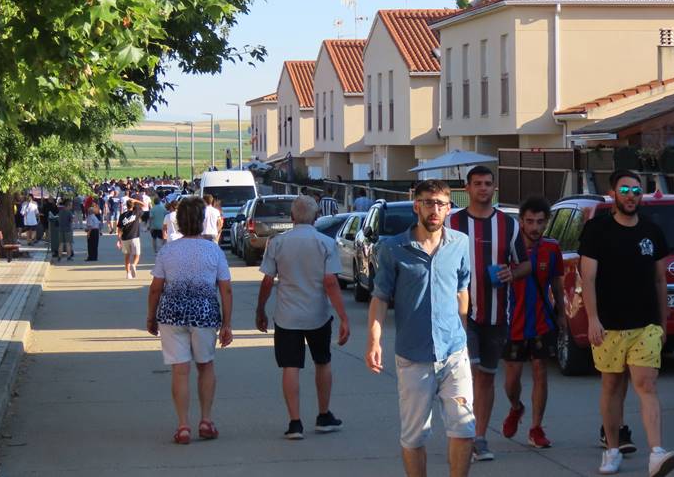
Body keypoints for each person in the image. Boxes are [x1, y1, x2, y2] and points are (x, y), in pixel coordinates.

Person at [366, 179, 473, 477]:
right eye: (428, 202)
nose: (434, 209)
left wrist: (462, 331)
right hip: (414, 356)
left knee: (464, 429)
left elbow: (462, 289)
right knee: (414, 436)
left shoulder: (461, 243)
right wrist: (374, 341)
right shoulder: (393, 248)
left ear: (449, 208)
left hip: (453, 353)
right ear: (417, 206)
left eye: (441, 203)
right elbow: (379, 297)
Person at [580, 170, 674, 476]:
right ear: (613, 193)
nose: (631, 195)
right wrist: (593, 319)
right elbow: (588, 277)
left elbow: (661, 278)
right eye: (625, 189)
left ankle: (656, 453)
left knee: (646, 384)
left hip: (645, 324)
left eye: (637, 191)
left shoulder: (651, 231)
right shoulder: (597, 229)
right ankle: (612, 449)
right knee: (612, 386)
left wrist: (662, 322)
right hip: (608, 325)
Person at [447, 165, 530, 461]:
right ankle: (464, 435)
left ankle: (479, 437)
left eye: (487, 184)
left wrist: (512, 272)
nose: (483, 188)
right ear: (466, 188)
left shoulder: (508, 225)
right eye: (477, 184)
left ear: (494, 188)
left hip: (496, 315)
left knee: (485, 378)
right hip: (460, 315)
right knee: (466, 376)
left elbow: (525, 264)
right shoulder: (452, 222)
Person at [256, 195, 350, 439]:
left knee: (290, 366)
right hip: (318, 314)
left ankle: (295, 422)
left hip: (287, 316)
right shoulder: (325, 243)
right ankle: (323, 414)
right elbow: (330, 282)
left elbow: (267, 281)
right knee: (323, 361)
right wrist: (343, 317)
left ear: (292, 217)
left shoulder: (277, 243)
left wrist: (260, 310)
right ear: (316, 217)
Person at [146, 195, 233, 445]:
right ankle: (206, 420)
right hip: (205, 314)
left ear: (179, 222)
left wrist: (151, 316)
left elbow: (155, 288)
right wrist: (227, 323)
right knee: (205, 366)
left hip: (171, 315)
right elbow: (225, 289)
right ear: (203, 220)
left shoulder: (168, 250)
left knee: (180, 370)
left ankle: (183, 426)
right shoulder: (213, 250)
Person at [501, 196, 564, 449]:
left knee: (540, 372)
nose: (535, 227)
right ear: (521, 222)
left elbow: (558, 284)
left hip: (541, 322)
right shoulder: (507, 249)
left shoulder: (551, 249)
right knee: (511, 380)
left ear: (546, 222)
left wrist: (561, 314)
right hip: (512, 323)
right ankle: (516, 407)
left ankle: (536, 428)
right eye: (530, 221)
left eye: (540, 222)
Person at [117, 199, 144, 279]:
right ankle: (134, 265)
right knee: (137, 254)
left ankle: (128, 273)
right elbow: (144, 205)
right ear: (133, 205)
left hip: (125, 238)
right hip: (135, 237)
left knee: (127, 256)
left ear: (126, 206)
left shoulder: (122, 215)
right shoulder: (136, 212)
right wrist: (135, 200)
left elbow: (119, 229)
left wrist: (119, 240)